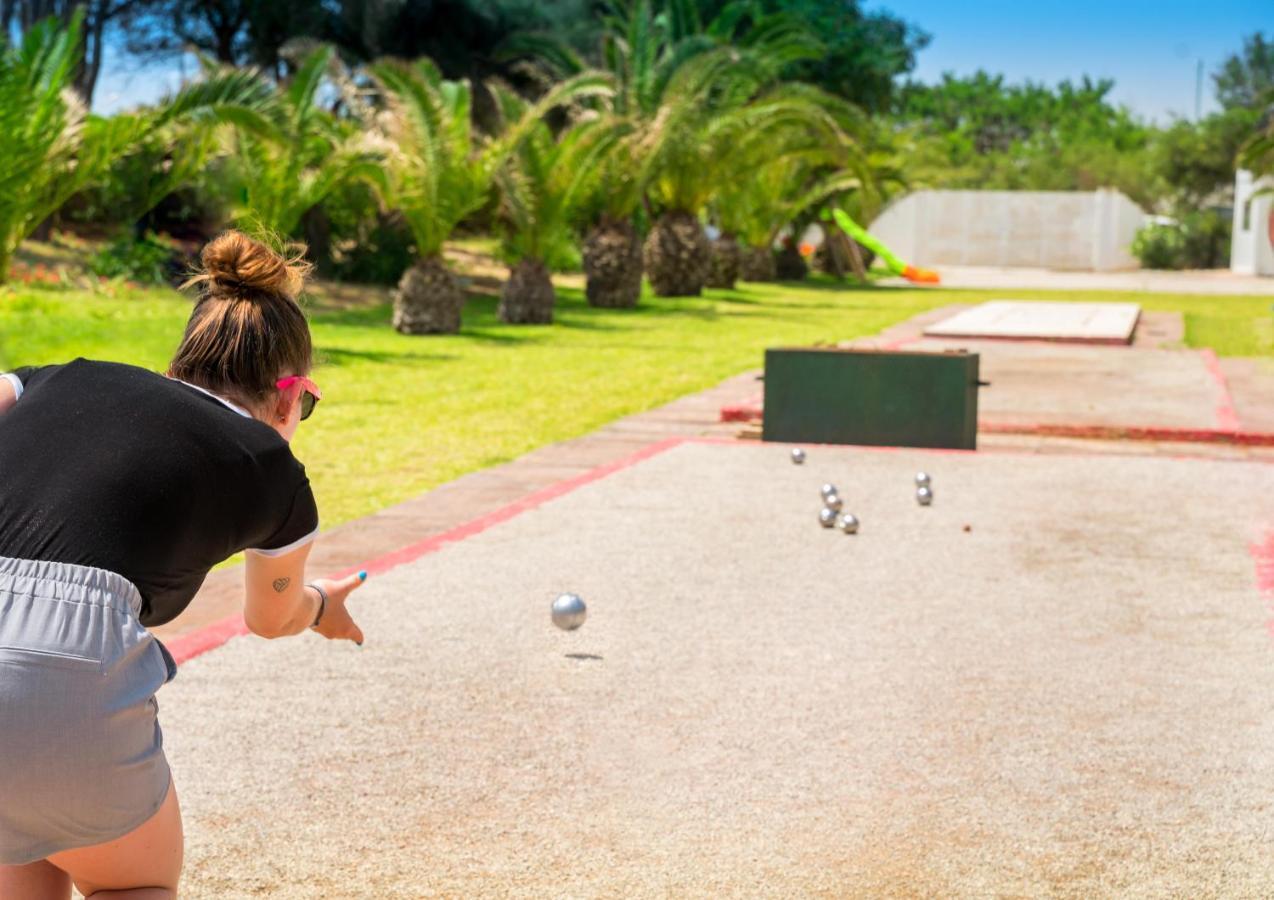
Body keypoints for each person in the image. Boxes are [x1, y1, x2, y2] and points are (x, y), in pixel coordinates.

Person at [0, 231, 367, 900]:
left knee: (25, 845)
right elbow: (270, 617)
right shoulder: (271, 466)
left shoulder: (60, 378)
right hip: (66, 674)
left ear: (176, 370)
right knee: (131, 884)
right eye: (306, 405)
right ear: (289, 399)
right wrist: (320, 607)